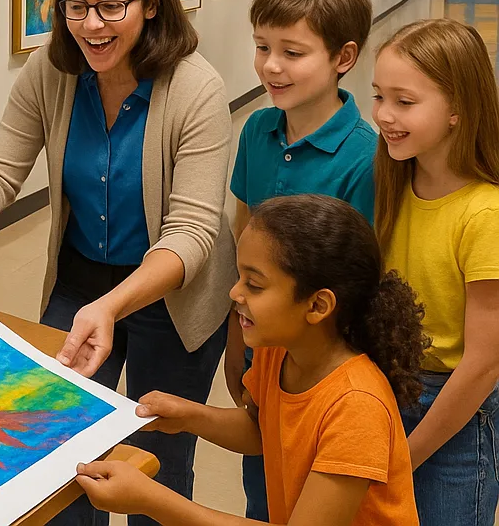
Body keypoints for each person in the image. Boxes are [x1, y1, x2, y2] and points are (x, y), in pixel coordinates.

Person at [0, 0, 236, 525]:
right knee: (57, 452)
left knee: (156, 461)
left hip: (173, 297)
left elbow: (192, 234)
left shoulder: (195, 87)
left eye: (111, 7)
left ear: (151, 4)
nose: (91, 26)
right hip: (80, 284)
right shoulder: (50, 73)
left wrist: (114, 305)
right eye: (76, 7)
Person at [76, 193, 426, 526]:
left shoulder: (357, 407)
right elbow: (264, 431)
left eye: (254, 285)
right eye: (239, 276)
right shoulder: (278, 348)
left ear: (318, 306)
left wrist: (151, 500)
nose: (234, 292)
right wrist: (188, 416)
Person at [225, 0, 377, 521]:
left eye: (293, 52)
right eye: (263, 47)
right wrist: (235, 339)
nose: (270, 65)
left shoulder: (365, 157)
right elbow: (241, 245)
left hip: (324, 374)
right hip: (263, 355)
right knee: (263, 489)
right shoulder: (255, 131)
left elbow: (362, 285)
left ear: (344, 57)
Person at [372, 19, 499, 526]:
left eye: (405, 102)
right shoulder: (391, 185)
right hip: (388, 392)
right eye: (379, 96)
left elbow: (483, 366)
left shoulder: (484, 214)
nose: (383, 115)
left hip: (457, 415)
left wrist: (407, 453)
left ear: (457, 111)